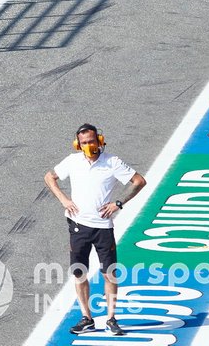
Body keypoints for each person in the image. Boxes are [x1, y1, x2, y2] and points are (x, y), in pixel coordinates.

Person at [44, 124, 147, 337]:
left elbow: (139, 181)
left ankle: (111, 318)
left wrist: (119, 203)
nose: (88, 146)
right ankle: (86, 318)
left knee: (109, 273)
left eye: (91, 141)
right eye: (84, 143)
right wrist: (64, 199)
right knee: (79, 272)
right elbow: (49, 177)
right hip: (77, 225)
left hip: (102, 227)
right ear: (77, 145)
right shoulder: (72, 161)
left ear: (99, 140)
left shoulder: (112, 162)